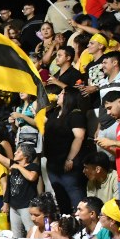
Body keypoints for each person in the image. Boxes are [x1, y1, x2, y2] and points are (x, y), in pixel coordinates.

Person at [43, 87, 88, 215]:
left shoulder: (75, 114)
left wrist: (70, 158)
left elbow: (79, 137)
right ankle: (66, 223)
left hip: (67, 162)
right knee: (60, 196)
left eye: (62, 93)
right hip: (53, 163)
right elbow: (40, 116)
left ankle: (81, 225)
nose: (59, 95)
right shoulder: (55, 113)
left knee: (74, 194)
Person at [0, 142, 39, 238]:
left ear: (26, 155)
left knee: (31, 231)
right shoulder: (13, 165)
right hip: (14, 207)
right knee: (16, 234)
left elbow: (31, 177)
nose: (15, 153)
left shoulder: (33, 167)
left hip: (26, 206)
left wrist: (18, 167)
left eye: (19, 151)